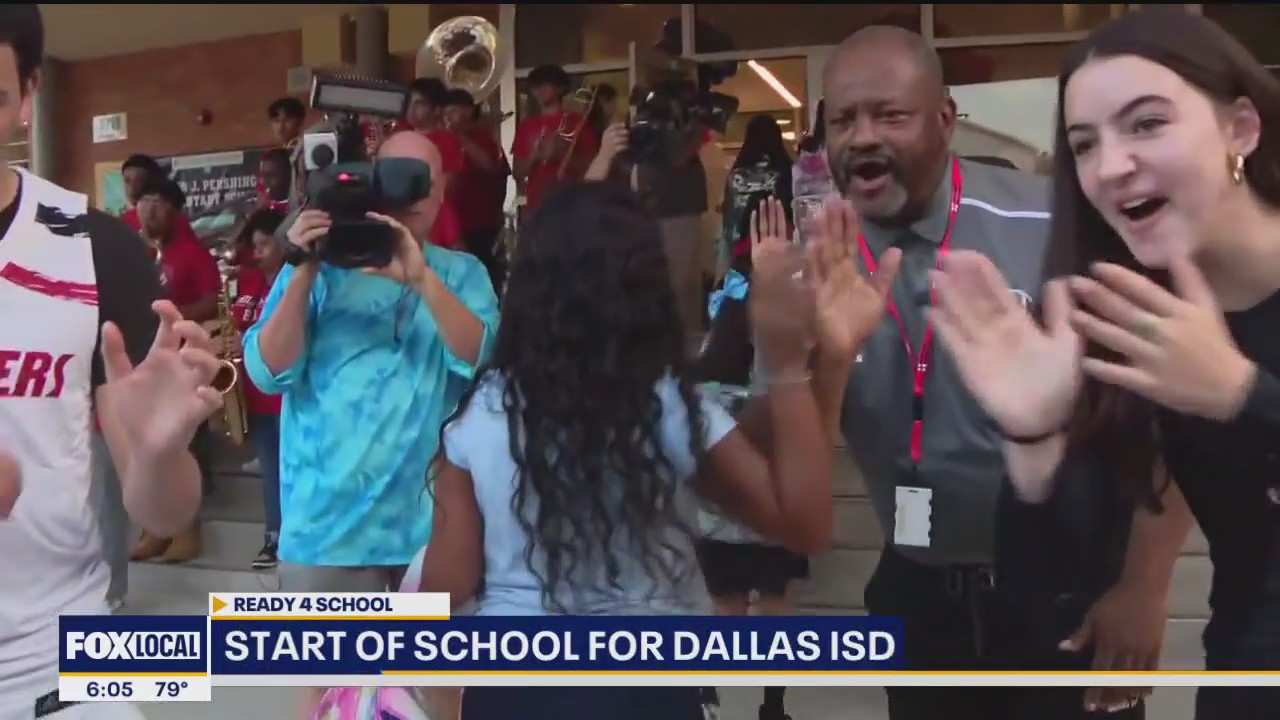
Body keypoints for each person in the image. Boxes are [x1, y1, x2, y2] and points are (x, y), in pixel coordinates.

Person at [418, 181, 900, 720]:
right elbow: (802, 524)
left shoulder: (483, 412)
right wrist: (802, 361)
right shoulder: (668, 406)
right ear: (648, 288)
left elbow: (446, 588)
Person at [822, 26, 1184, 719]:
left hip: (1068, 598)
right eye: (841, 120)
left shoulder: (1051, 223)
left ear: (946, 120)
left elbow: (1163, 411)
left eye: (889, 115)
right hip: (919, 596)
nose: (862, 137)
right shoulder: (821, 261)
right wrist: (797, 358)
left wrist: (1145, 583)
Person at [928, 9, 1280, 719]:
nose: (1111, 167)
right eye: (1084, 145)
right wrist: (1033, 442)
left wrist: (1242, 396)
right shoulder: (1124, 315)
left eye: (1147, 124)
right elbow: (1044, 614)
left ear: (1240, 128)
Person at [0, 7, 222, 717]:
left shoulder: (91, 250)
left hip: (53, 666)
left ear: (29, 94)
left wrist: (159, 454)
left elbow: (160, 505)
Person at [128, 175, 221, 564]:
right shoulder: (141, 252)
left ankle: (187, 530)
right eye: (143, 201)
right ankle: (154, 530)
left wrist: (171, 319)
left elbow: (212, 302)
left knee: (183, 449)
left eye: (158, 202)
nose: (148, 209)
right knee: (150, 451)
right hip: (145, 364)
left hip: (183, 366)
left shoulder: (192, 253)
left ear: (175, 210)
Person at [585, 116, 712, 346]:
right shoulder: (613, 164)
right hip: (619, 238)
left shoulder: (657, 164)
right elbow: (585, 196)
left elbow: (680, 160)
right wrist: (605, 154)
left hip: (651, 223)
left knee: (675, 287)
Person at [229, 208, 287, 569]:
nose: (258, 252)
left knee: (286, 470)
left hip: (286, 397)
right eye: (255, 245)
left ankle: (284, 537)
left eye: (266, 244)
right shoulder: (250, 282)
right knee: (270, 468)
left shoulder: (294, 282)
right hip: (255, 395)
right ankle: (274, 534)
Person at [443, 88, 510, 294]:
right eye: (447, 112)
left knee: (482, 279)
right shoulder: (442, 137)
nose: (449, 117)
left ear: (469, 112)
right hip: (453, 221)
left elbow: (492, 166)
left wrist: (460, 137)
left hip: (481, 221)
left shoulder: (483, 137)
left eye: (454, 111)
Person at [512, 65, 600, 212]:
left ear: (560, 88)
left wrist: (559, 155)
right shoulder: (526, 126)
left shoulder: (577, 122)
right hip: (537, 204)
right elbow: (517, 171)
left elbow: (592, 164)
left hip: (572, 202)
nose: (539, 90)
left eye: (545, 84)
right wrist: (536, 156)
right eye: (535, 86)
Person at [718, 115, 794, 277]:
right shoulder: (785, 171)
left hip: (742, 249)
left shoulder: (737, 175)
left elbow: (729, 222)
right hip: (778, 244)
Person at [405, 78, 466, 251]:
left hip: (437, 221)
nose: (411, 109)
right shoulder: (398, 136)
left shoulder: (448, 141)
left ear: (436, 110)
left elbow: (446, 187)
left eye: (420, 104)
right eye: (409, 102)